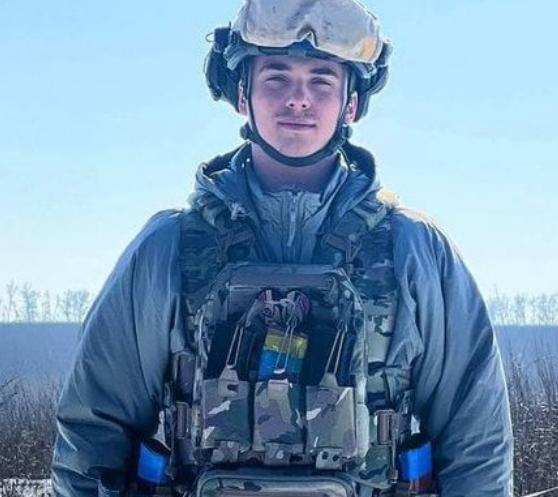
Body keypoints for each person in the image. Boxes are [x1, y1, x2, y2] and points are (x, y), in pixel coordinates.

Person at [51, 1, 514, 496]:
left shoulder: (416, 251)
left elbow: (475, 439)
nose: (298, 99)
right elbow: (92, 435)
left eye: (322, 80)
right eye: (276, 77)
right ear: (241, 94)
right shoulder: (167, 249)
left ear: (351, 103)